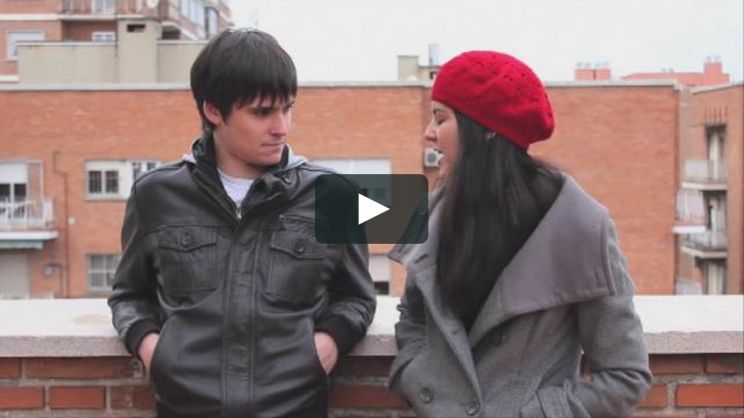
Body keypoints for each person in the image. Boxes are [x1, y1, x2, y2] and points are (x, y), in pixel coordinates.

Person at [108, 28, 376, 418]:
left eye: (287, 108)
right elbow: (129, 295)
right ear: (213, 111)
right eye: (262, 112)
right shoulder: (156, 194)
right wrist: (153, 350)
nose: (282, 127)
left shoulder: (332, 195)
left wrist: (327, 344)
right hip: (186, 407)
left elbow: (356, 297)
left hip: (293, 407)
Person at [387, 51, 652, 418]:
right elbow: (414, 315)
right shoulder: (435, 214)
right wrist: (415, 373)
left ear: (486, 129)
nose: (428, 133)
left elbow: (625, 376)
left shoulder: (576, 224)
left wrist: (534, 414)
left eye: (441, 118)